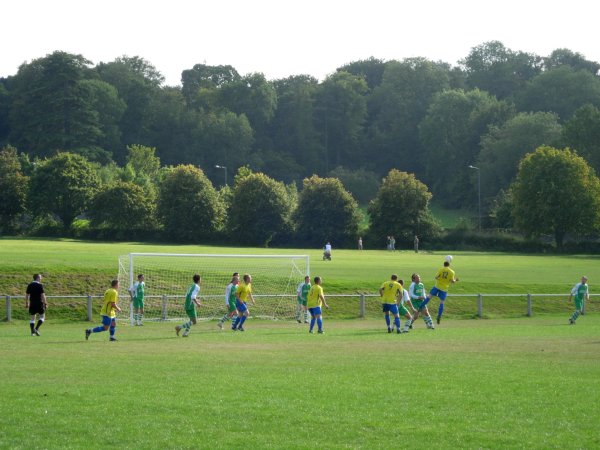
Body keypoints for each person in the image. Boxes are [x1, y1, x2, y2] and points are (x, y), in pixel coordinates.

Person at [428, 260, 459, 324]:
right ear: (449, 265)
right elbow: (452, 281)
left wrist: (439, 278)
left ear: (443, 265)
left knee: (429, 297)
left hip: (437, 286)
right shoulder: (451, 272)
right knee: (442, 302)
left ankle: (420, 308)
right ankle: (439, 316)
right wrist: (456, 280)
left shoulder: (441, 270)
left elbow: (436, 277)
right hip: (444, 289)